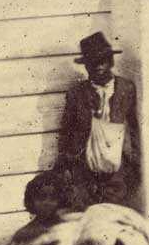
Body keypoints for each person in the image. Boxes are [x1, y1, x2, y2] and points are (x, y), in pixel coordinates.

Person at [55, 30, 142, 209]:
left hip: (118, 165)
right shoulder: (77, 93)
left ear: (110, 62)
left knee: (115, 212)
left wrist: (136, 163)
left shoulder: (126, 88)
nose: (98, 67)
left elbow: (133, 127)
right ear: (86, 67)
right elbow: (66, 131)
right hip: (85, 166)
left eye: (102, 61)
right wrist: (66, 163)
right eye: (92, 63)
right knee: (89, 212)